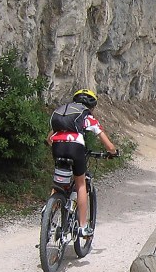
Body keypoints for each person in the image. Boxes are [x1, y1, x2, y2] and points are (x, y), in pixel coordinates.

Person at [47, 89, 119, 238]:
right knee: (81, 184)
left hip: (57, 146)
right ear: (91, 106)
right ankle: (82, 227)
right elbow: (107, 143)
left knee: (58, 183)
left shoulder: (64, 112)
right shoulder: (86, 115)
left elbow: (49, 139)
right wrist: (113, 152)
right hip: (75, 147)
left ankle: (47, 215)